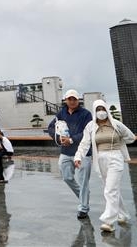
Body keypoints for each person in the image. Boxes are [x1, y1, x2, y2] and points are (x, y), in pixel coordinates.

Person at [74, 99, 136, 233]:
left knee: (110, 190)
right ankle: (123, 215)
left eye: (102, 109)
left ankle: (108, 221)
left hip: (115, 157)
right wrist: (78, 156)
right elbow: (85, 143)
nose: (100, 112)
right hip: (100, 159)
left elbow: (131, 137)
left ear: (106, 110)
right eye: (97, 110)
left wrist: (120, 142)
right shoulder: (91, 126)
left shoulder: (116, 124)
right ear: (94, 111)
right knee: (111, 189)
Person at [47, 89, 93, 220]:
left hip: (83, 153)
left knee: (84, 181)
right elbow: (50, 127)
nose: (72, 101)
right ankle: (84, 196)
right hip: (66, 152)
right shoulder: (61, 113)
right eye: (70, 99)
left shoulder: (86, 114)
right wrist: (58, 138)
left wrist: (71, 139)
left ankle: (83, 208)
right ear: (65, 100)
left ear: (78, 100)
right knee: (67, 177)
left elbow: (87, 132)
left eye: (74, 99)